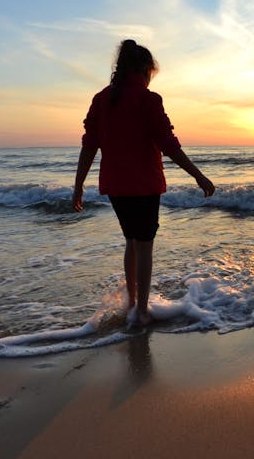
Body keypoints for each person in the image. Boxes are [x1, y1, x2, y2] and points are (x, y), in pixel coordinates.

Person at [72, 39, 215, 328]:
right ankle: (143, 311)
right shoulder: (148, 100)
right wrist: (197, 175)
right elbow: (168, 145)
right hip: (145, 185)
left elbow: (89, 146)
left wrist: (78, 186)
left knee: (131, 241)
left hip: (115, 185)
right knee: (145, 245)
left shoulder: (101, 99)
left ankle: (134, 302)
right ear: (144, 70)